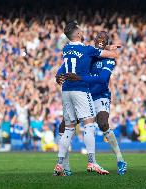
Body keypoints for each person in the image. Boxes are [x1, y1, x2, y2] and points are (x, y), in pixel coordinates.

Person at [53, 21, 119, 176]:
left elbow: (69, 63)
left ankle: (59, 164)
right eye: (80, 30)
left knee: (69, 127)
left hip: (66, 90)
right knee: (89, 124)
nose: (83, 32)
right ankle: (92, 162)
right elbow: (113, 55)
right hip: (80, 89)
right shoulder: (88, 50)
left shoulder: (66, 48)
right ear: (78, 34)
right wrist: (109, 49)